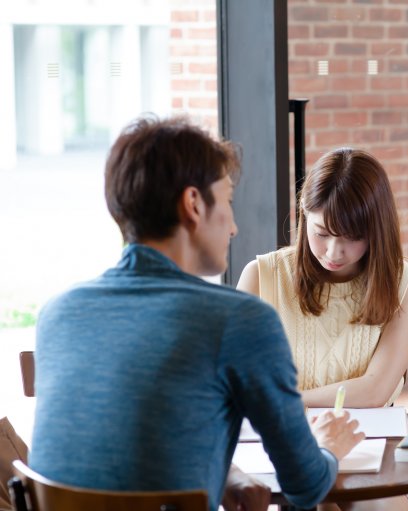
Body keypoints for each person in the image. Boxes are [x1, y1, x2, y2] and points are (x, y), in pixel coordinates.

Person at [28, 115, 364, 511]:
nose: (234, 227)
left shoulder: (57, 314)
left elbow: (126, 446)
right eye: (226, 201)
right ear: (193, 204)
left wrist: (228, 472)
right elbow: (305, 486)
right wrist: (328, 446)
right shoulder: (238, 320)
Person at [237, 148, 408, 510]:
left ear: (377, 230)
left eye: (352, 237)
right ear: (304, 215)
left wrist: (284, 401)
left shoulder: (406, 282)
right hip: (276, 448)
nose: (334, 251)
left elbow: (375, 390)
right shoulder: (262, 277)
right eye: (322, 232)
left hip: (365, 449)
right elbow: (242, 388)